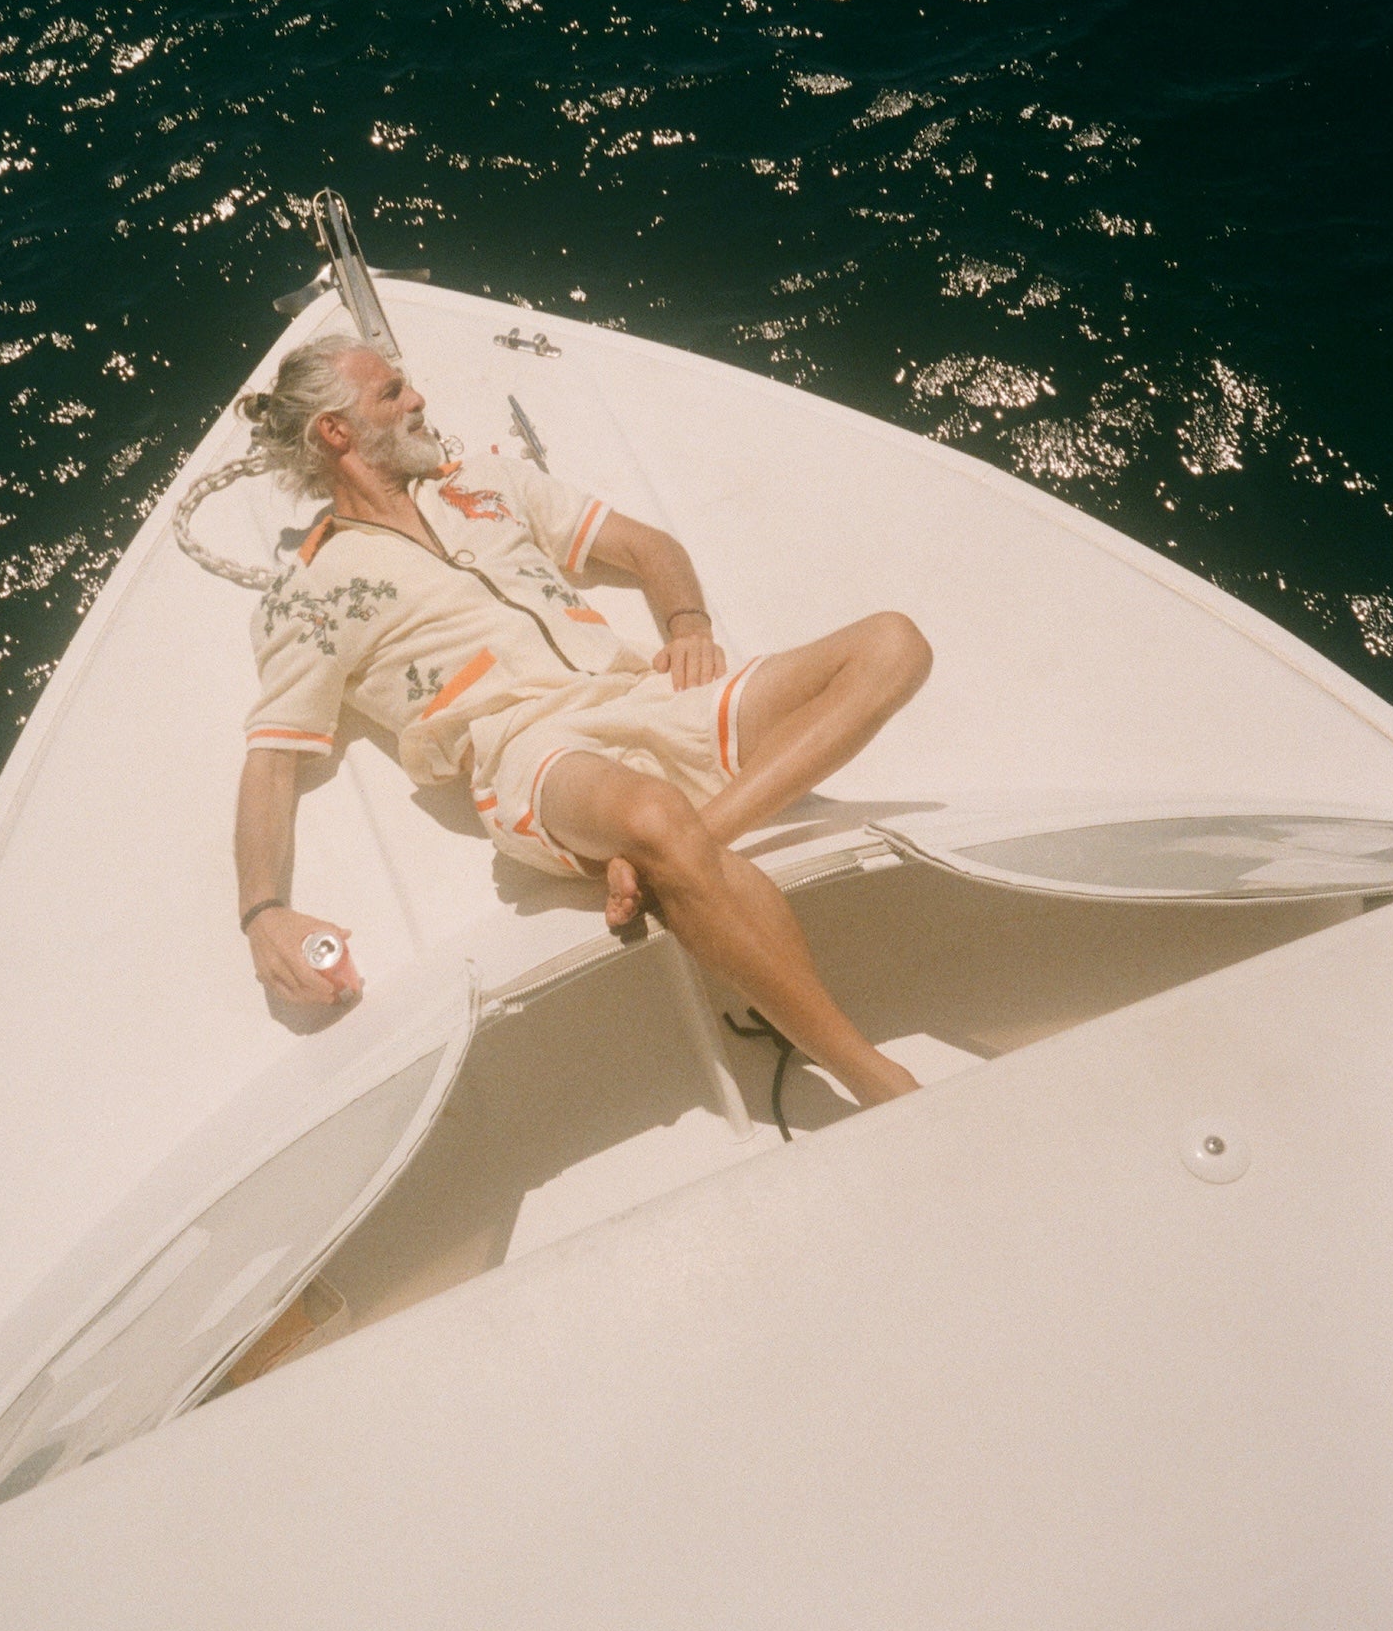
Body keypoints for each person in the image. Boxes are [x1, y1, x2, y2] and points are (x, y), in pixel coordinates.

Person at [236, 333, 933, 1109]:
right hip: (531, 748)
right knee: (649, 812)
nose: (417, 400)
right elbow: (271, 759)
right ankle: (876, 1078)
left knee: (891, 645)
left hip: (643, 695)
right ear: (336, 433)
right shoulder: (311, 591)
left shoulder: (486, 483)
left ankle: (674, 849)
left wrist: (687, 625)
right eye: (391, 393)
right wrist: (263, 913)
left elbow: (647, 547)